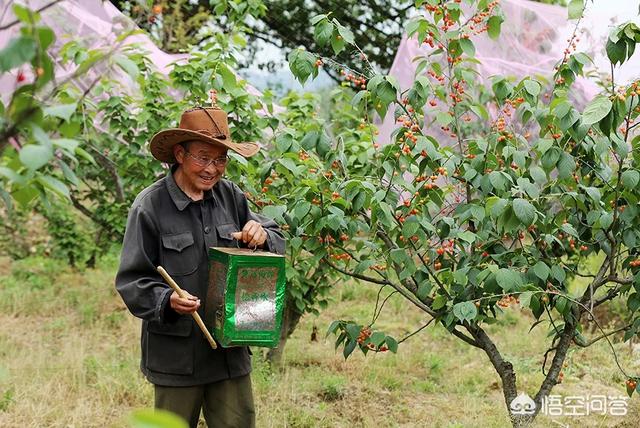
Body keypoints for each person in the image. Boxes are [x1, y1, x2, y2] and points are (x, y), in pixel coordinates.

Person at [115, 106, 285, 427]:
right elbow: (132, 280)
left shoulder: (230, 196)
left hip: (228, 354)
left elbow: (273, 234)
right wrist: (167, 301)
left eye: (221, 160)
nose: (212, 169)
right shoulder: (150, 206)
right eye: (203, 158)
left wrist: (261, 235)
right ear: (180, 154)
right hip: (177, 358)